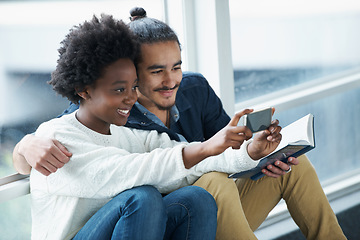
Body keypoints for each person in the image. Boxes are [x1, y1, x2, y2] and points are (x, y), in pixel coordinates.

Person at [13, 8, 346, 240]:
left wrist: (255, 154)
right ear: (133, 69)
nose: (171, 80)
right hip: (144, 220)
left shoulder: (167, 104)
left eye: (177, 66)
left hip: (196, 217)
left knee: (268, 174)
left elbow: (210, 152)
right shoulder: (93, 118)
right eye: (156, 71)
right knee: (198, 185)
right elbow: (128, 168)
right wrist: (25, 146)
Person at [28, 14, 226, 240]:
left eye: (134, 87)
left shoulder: (126, 132)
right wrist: (24, 146)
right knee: (142, 198)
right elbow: (129, 170)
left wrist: (247, 151)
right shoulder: (58, 136)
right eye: (120, 90)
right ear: (84, 90)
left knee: (195, 199)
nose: (132, 98)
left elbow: (177, 152)